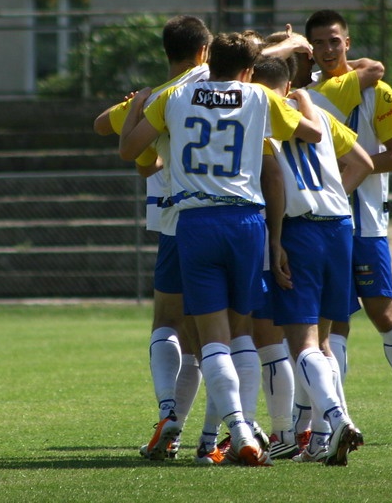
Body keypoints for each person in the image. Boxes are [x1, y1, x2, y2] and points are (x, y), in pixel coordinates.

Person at [119, 32, 324, 466]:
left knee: (210, 336)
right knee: (242, 331)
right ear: (248, 71)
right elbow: (310, 135)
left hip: (194, 222)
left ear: (207, 60)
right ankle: (245, 428)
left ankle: (238, 430)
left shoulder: (173, 98)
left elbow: (129, 150)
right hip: (246, 221)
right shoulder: (257, 96)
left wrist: (136, 107)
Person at [303, 9, 392, 447]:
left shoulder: (376, 90)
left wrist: (352, 164)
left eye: (334, 41)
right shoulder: (306, 95)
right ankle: (331, 427)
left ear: (348, 42)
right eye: (319, 43)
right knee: (332, 322)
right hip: (323, 220)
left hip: (367, 223)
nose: (327, 50)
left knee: (383, 313)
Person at [94, 15, 211, 462]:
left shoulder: (160, 98)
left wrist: (135, 104)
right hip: (230, 215)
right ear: (205, 51)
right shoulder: (228, 84)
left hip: (174, 220)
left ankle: (169, 417)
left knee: (167, 322)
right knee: (216, 334)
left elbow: (102, 125)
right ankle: (218, 434)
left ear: (167, 53)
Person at [258, 55, 373, 465]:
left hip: (301, 229)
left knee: (301, 342)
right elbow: (364, 162)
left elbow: (272, 180)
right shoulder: (319, 116)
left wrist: (276, 240)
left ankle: (338, 419)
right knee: (324, 340)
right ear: (288, 87)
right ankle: (323, 439)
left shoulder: (259, 119)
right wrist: (333, 195)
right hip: (339, 225)